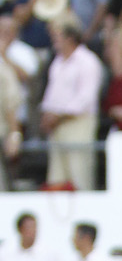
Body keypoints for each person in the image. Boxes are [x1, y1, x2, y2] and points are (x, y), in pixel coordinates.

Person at [40, 16, 102, 191]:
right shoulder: (57, 62)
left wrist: (58, 115)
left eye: (57, 36)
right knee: (56, 176)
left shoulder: (88, 61)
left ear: (70, 38)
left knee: (79, 172)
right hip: (57, 125)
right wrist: (47, 114)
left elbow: (86, 97)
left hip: (78, 123)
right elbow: (52, 92)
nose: (54, 40)